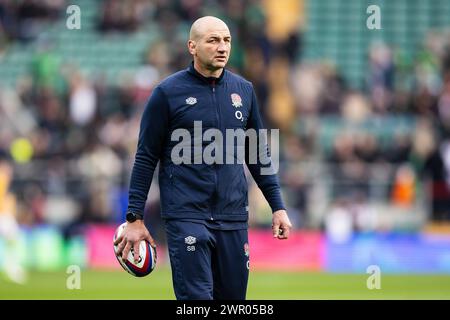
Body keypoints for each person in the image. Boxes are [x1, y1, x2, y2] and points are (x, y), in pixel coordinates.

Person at [114, 16, 292, 300]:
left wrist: (278, 207)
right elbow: (146, 157)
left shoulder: (244, 91)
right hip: (186, 215)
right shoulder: (167, 93)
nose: (222, 47)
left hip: (233, 216)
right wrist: (134, 217)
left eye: (227, 40)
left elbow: (258, 154)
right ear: (192, 46)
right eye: (213, 40)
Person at [0, 151, 27, 284]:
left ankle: (12, 267)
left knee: (13, 239)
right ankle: (12, 268)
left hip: (4, 215)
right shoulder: (2, 178)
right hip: (3, 215)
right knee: (13, 239)